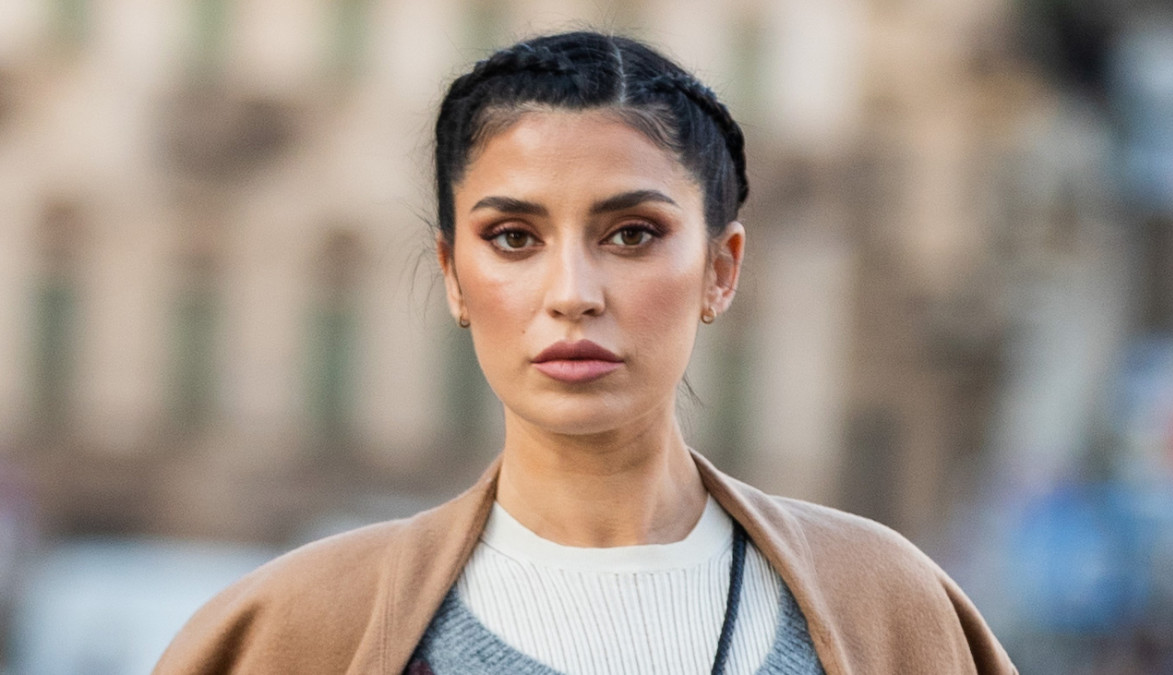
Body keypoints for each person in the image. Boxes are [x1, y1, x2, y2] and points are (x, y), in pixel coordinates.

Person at [154, 31, 1015, 675]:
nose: (574, 291)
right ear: (454, 274)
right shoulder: (300, 632)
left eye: (633, 233)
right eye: (514, 237)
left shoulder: (890, 613)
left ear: (721, 269)